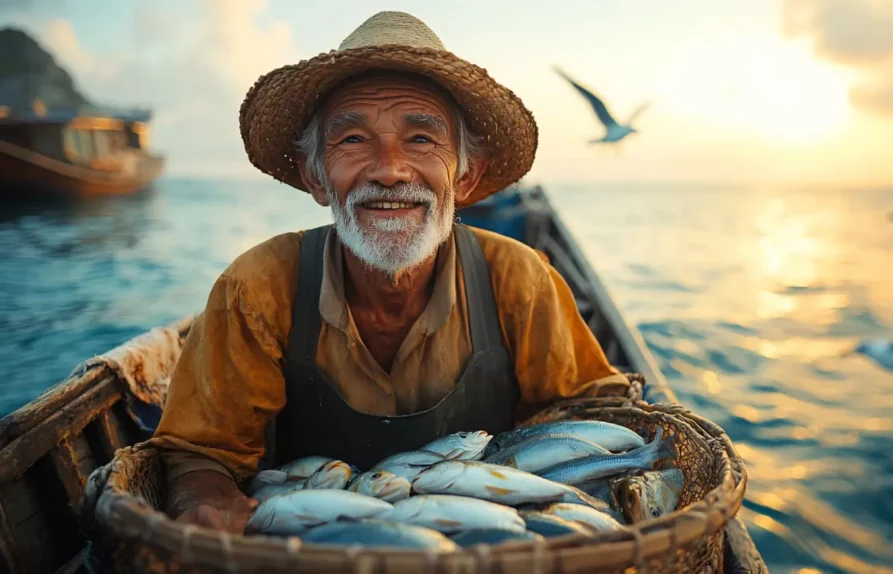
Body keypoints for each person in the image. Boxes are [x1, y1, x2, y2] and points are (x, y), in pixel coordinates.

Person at [149, 11, 629, 534]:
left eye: (421, 139)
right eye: (352, 140)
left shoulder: (518, 276)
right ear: (316, 176)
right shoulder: (258, 286)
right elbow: (200, 452)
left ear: (465, 175)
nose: (389, 170)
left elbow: (587, 411)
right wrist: (207, 498)